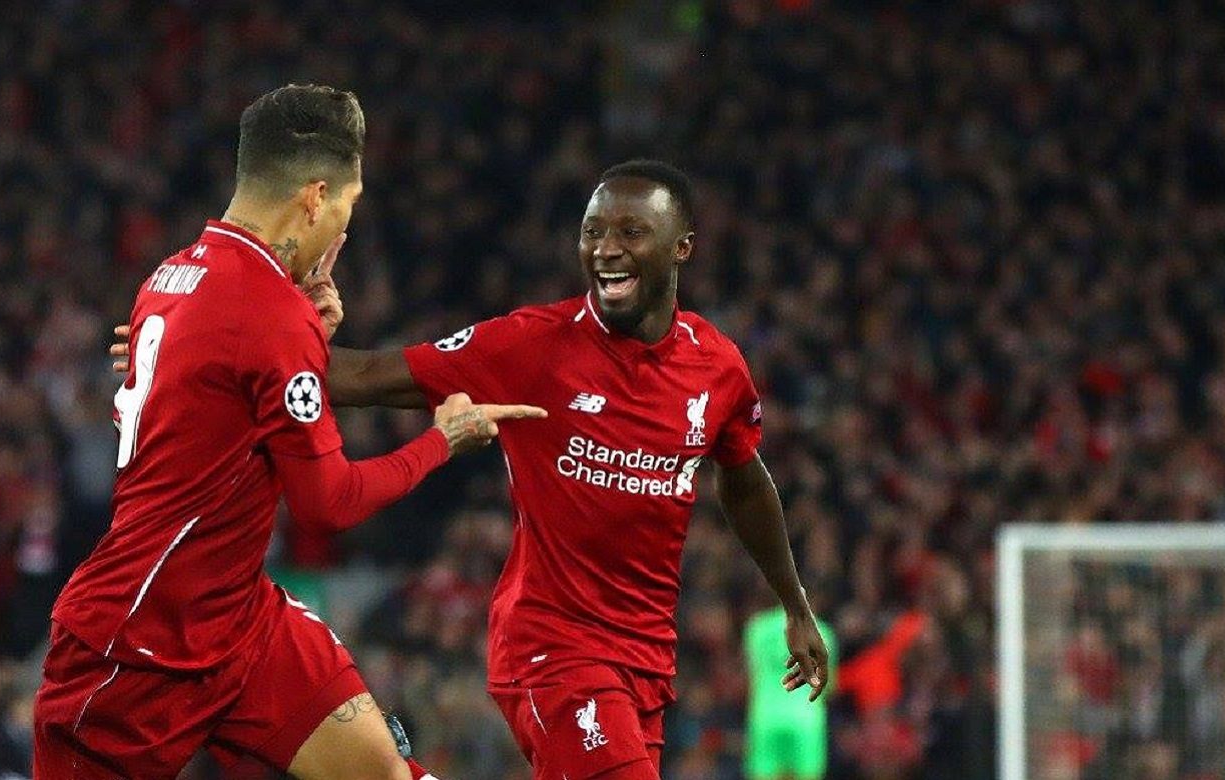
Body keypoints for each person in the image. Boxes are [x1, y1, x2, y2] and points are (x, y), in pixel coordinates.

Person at [114, 159, 828, 779]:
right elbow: (365, 376)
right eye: (592, 232)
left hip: (645, 662)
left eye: (631, 233)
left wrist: (794, 605)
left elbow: (743, 478)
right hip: (554, 651)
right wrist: (197, 346)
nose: (606, 250)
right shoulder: (532, 346)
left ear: (682, 248)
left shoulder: (717, 367)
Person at [35, 84, 544, 780]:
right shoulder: (269, 312)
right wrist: (442, 441)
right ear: (313, 197)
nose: (343, 228)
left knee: (387, 774)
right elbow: (327, 503)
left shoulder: (169, 277)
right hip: (134, 642)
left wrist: (303, 341)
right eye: (347, 205)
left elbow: (210, 403)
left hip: (239, 619)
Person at [744, 607, 835, 780]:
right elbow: (829, 686)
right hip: (805, 720)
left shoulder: (756, 629)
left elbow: (752, 676)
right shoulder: (822, 631)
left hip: (766, 718)